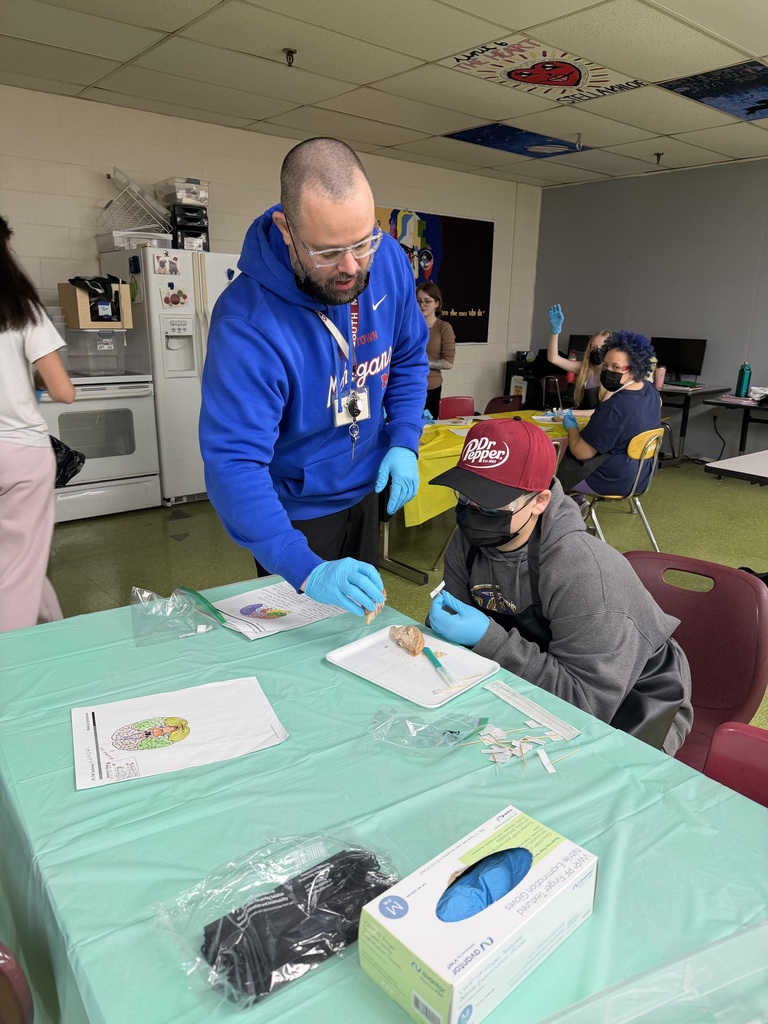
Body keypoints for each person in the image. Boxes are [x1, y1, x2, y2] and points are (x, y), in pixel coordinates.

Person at [199, 138, 429, 618]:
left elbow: (408, 356)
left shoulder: (385, 262)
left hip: (366, 486)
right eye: (327, 252)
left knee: (360, 626)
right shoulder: (247, 325)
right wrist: (302, 567)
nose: (351, 268)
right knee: (303, 646)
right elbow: (234, 464)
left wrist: (405, 439)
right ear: (287, 229)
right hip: (297, 512)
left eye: (363, 243)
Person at [427, 418, 693, 754]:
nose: (472, 513)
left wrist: (488, 640)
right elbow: (453, 648)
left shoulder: (584, 573)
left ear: (539, 501)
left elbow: (584, 704)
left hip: (629, 698)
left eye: (492, 504)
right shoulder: (467, 544)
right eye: (465, 496)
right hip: (530, 678)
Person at [0, 215, 75, 633]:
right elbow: (63, 391)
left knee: (16, 557)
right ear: (6, 247)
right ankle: (11, 670)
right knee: (19, 569)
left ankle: (55, 633)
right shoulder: (20, 308)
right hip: (20, 455)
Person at [557, 330, 662, 496]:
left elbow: (580, 452)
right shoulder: (650, 391)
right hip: (642, 475)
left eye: (616, 367)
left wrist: (571, 427)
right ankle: (573, 505)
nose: (608, 371)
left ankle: (565, 509)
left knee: (547, 470)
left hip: (611, 480)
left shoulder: (614, 407)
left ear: (635, 368)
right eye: (605, 365)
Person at [547, 303, 610, 410]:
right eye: (594, 347)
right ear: (589, 349)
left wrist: (567, 413)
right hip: (581, 419)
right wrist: (555, 332)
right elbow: (553, 358)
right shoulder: (584, 369)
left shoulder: (613, 377)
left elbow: (600, 412)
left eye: (603, 347)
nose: (598, 351)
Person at [417, 282, 455, 420]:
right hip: (407, 386)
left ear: (436, 303)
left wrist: (422, 362)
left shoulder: (444, 328)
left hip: (430, 388)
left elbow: (448, 363)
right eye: (419, 301)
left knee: (428, 429)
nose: (422, 305)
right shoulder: (409, 326)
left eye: (427, 301)